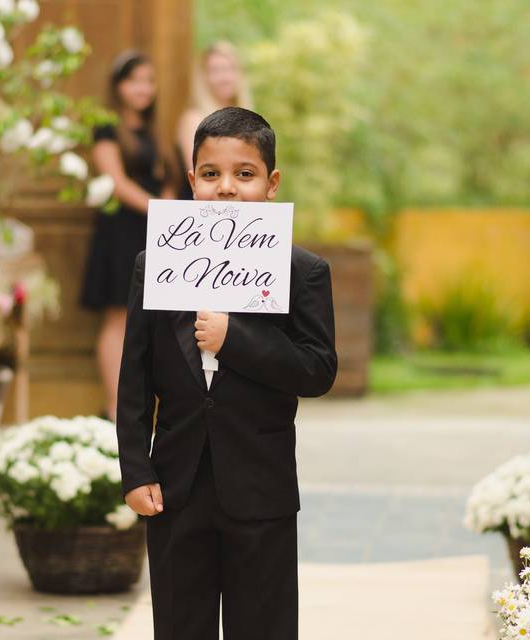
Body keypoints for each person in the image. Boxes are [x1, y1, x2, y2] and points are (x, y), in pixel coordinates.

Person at [117, 107, 337, 639]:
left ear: (271, 182)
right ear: (192, 180)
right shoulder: (156, 264)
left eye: (245, 173)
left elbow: (317, 369)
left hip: (261, 488)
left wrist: (234, 338)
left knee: (263, 625)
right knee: (179, 624)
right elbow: (135, 377)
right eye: (211, 174)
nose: (227, 188)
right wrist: (136, 470)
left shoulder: (302, 271)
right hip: (175, 485)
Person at [79, 50, 178, 421]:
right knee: (117, 319)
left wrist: (168, 211)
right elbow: (116, 183)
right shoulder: (107, 128)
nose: (143, 89)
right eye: (135, 80)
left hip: (157, 234)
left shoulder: (157, 131)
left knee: (154, 321)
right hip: (122, 231)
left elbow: (169, 178)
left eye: (149, 81)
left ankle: (147, 410)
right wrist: (159, 209)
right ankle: (113, 407)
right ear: (118, 86)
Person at [176, 42, 253, 200]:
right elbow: (199, 174)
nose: (224, 77)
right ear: (204, 77)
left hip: (241, 205)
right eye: (215, 70)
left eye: (229, 69)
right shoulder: (193, 119)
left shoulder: (249, 120)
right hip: (205, 208)